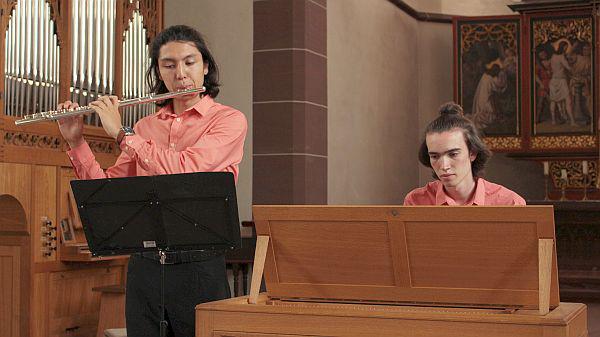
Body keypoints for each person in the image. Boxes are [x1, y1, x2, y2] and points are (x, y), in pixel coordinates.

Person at [57, 25, 247, 337]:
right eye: (168, 65)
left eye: (189, 62)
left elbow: (186, 170)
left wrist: (122, 134)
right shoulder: (145, 127)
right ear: (158, 71)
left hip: (199, 267)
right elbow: (108, 193)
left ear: (206, 66)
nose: (180, 73)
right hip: (145, 268)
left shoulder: (229, 120)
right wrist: (77, 142)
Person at [404, 102, 525, 206]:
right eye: (435, 156)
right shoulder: (416, 202)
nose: (444, 166)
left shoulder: (510, 203)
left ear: (472, 153)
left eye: (453, 154)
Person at [471, 59, 507, 130]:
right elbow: (499, 85)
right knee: (486, 110)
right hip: (485, 98)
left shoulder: (486, 76)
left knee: (487, 107)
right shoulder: (489, 78)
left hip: (486, 97)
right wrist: (504, 75)